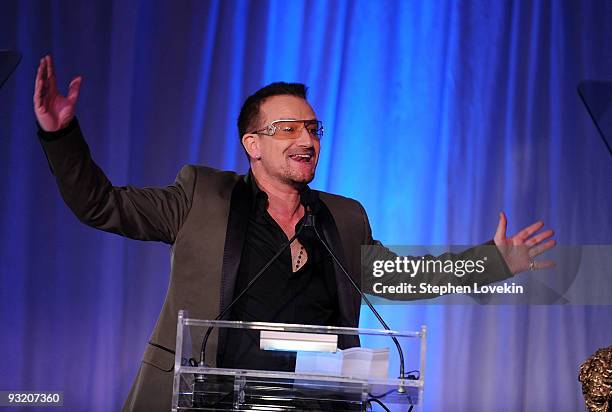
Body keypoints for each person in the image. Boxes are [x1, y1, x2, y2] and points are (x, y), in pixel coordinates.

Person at [33, 55, 556, 411]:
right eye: (287, 129)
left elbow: (401, 277)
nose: (306, 138)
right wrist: (61, 135)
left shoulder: (343, 217)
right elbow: (102, 206)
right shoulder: (201, 195)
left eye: (312, 128)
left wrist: (493, 262)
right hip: (213, 399)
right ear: (252, 144)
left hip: (318, 400)